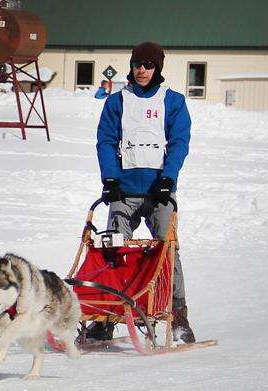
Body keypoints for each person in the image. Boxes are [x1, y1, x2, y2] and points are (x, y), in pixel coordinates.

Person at [90, 41, 195, 344]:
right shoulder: (117, 101)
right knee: (113, 251)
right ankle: (105, 317)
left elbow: (179, 142)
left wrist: (168, 178)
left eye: (148, 65)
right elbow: (106, 141)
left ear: (157, 68)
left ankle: (178, 317)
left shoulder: (172, 101)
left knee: (167, 251)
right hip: (125, 191)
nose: (142, 70)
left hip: (159, 192)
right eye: (137, 64)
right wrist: (110, 179)